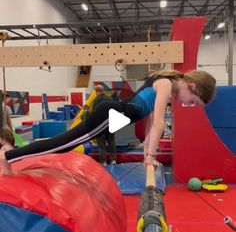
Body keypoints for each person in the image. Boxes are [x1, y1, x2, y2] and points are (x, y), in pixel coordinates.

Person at [0, 70, 216, 175]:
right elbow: (159, 123)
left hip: (112, 116)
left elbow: (151, 124)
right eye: (194, 102)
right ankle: (7, 157)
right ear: (193, 87)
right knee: (59, 145)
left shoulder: (166, 84)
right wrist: (150, 157)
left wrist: (147, 156)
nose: (189, 104)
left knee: (61, 144)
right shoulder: (167, 84)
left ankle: (9, 156)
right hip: (109, 116)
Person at [93, 85, 117, 166]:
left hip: (101, 125)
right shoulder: (110, 99)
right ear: (103, 90)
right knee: (111, 141)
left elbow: (94, 114)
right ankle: (113, 160)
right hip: (111, 124)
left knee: (101, 144)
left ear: (96, 92)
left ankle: (103, 162)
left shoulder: (96, 100)